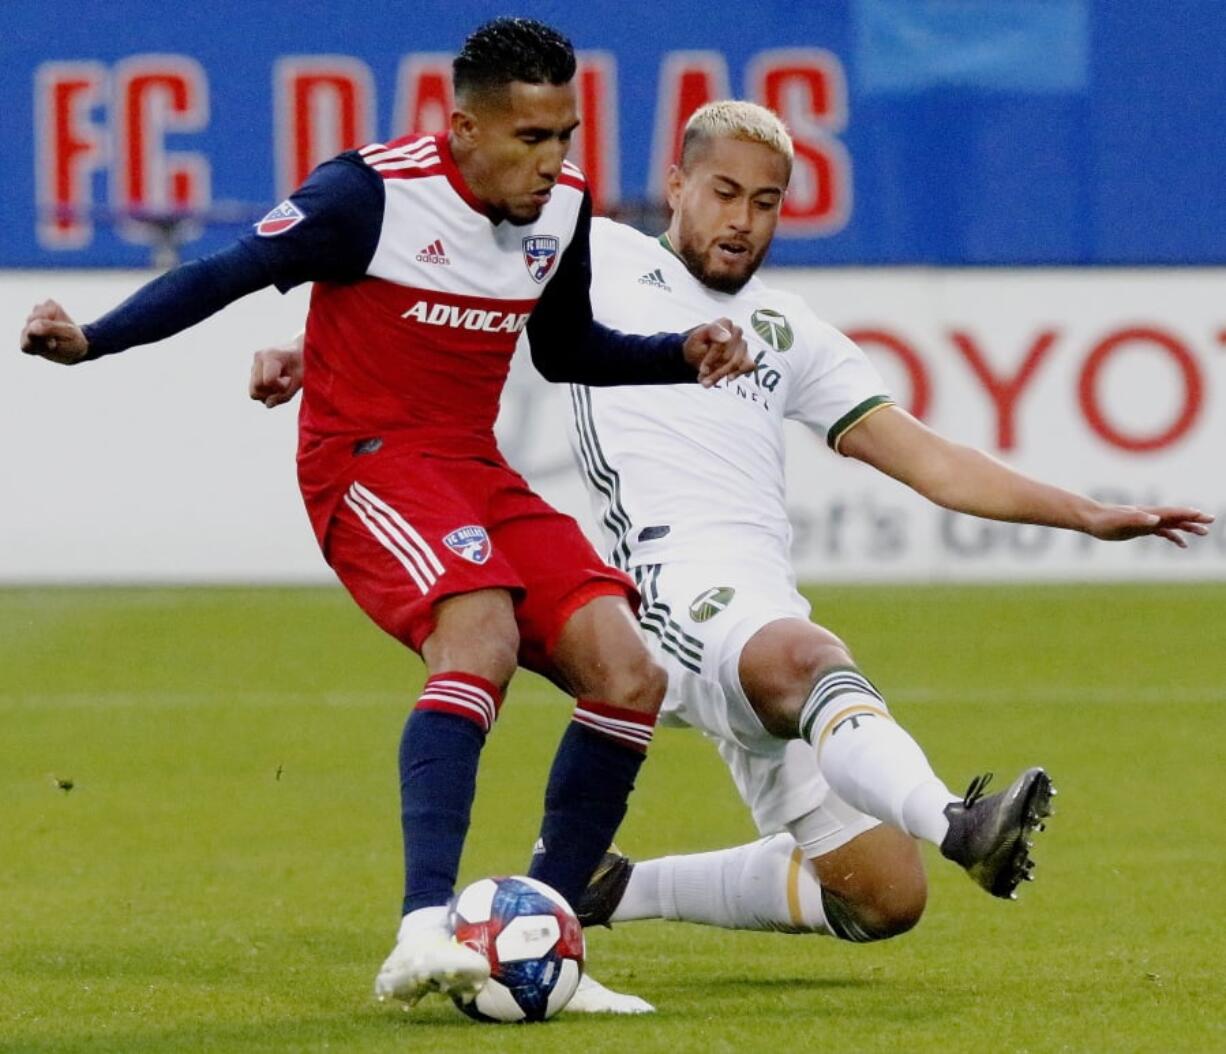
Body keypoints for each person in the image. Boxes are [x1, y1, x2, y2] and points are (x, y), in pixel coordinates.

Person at [248, 101, 1212, 1008]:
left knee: (882, 898)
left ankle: (599, 888)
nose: (742, 220)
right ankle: (959, 822)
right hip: (673, 595)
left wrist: (1088, 515)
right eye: (723, 193)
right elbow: (444, 289)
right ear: (676, 185)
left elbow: (935, 464)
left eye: (765, 202)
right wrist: (310, 342)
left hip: (758, 612)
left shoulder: (793, 333)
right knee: (811, 657)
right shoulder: (600, 255)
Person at [18, 18, 752, 1012]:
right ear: (461, 128)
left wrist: (676, 351)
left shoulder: (564, 206)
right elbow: (222, 271)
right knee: (480, 627)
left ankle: (548, 932)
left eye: (565, 136)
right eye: (529, 139)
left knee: (627, 670)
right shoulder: (367, 193)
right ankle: (420, 928)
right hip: (363, 463)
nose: (554, 162)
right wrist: (94, 339)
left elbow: (566, 345)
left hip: (471, 465)